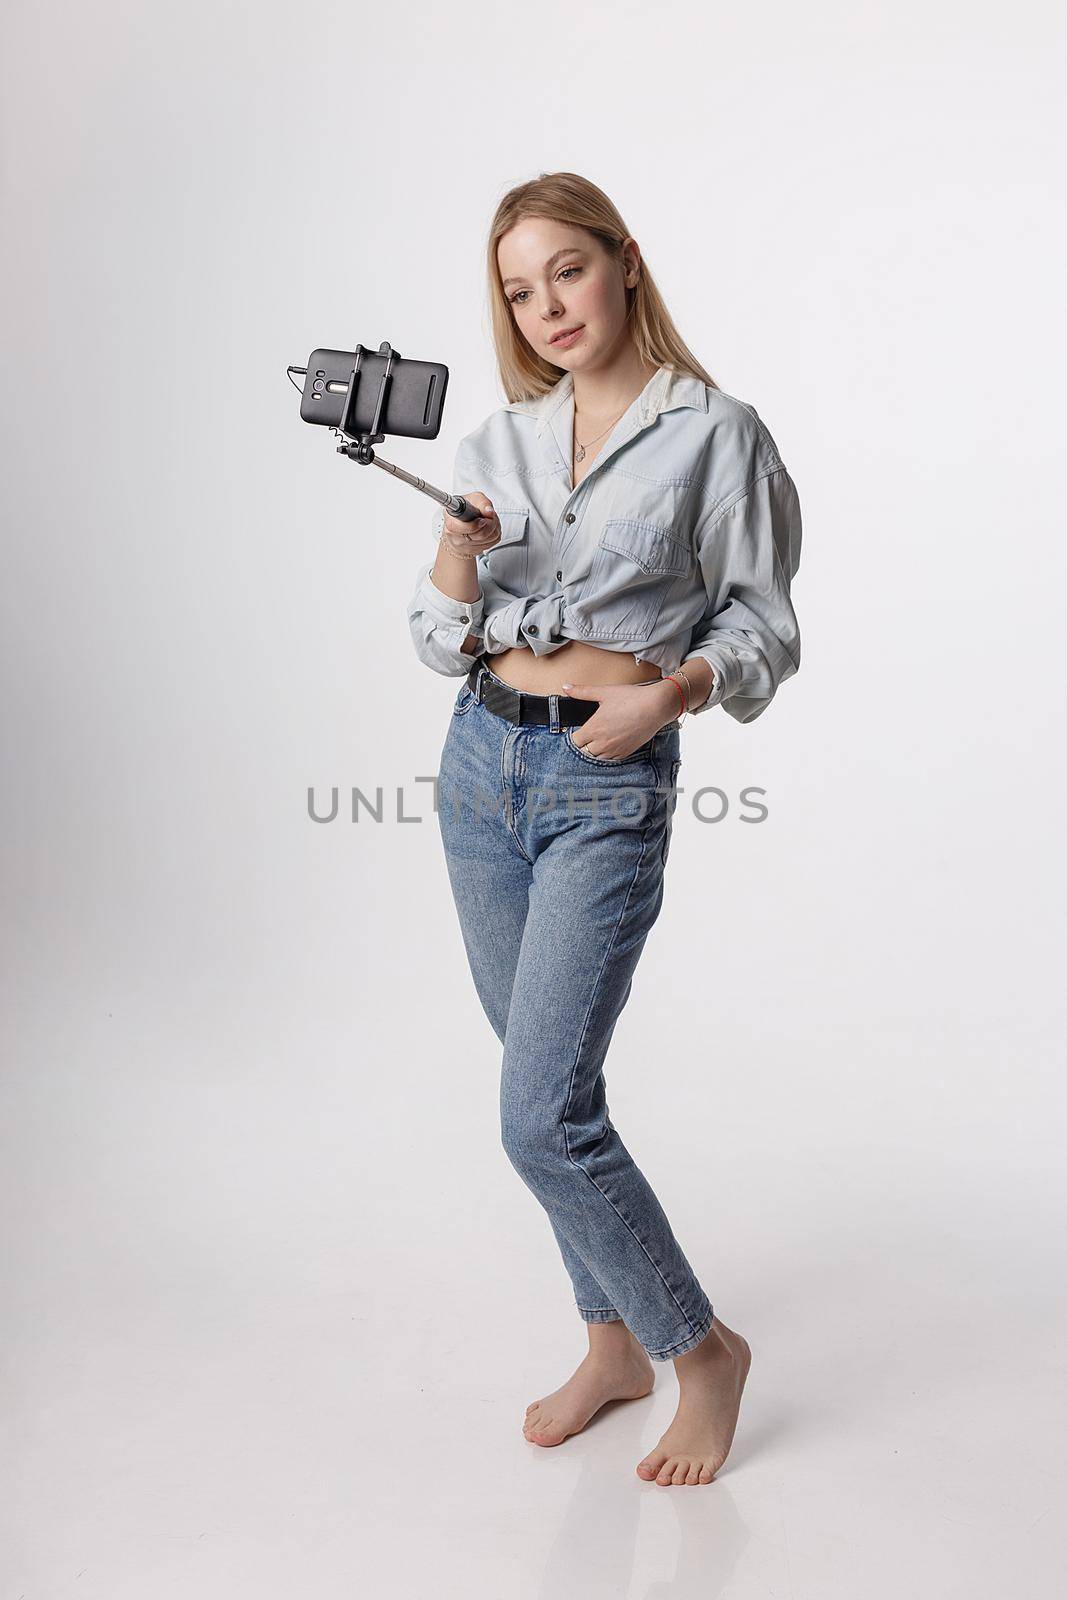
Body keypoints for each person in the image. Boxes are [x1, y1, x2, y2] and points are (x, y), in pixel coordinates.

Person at [405, 171, 802, 1487]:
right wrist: (460, 559)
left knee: (537, 1115)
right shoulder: (500, 443)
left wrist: (671, 689)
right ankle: (610, 1345)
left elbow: (760, 626)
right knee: (552, 1087)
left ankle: (702, 1352)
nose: (547, 305)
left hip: (601, 780)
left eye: (565, 271)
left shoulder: (716, 434)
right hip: (478, 769)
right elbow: (432, 638)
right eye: (521, 289)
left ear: (625, 261)